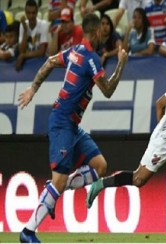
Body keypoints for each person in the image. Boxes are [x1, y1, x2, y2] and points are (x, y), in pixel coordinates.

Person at [18, 13, 128, 243]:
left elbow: (49, 62)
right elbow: (107, 90)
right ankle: (28, 231)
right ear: (97, 32)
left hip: (71, 125)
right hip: (62, 123)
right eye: (101, 32)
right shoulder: (90, 57)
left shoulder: (74, 51)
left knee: (100, 165)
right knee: (58, 181)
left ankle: (54, 189)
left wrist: (33, 88)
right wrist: (121, 65)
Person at [86, 47, 166, 238]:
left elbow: (160, 103)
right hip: (164, 141)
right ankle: (100, 184)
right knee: (138, 180)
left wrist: (163, 126)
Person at [16, 0, 49, 71]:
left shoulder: (43, 24)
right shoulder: (23, 25)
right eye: (28, 13)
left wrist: (23, 56)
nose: (31, 16)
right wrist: (25, 30)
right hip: (27, 62)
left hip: (40, 62)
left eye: (33, 13)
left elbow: (41, 52)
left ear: (37, 13)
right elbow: (21, 51)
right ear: (25, 13)